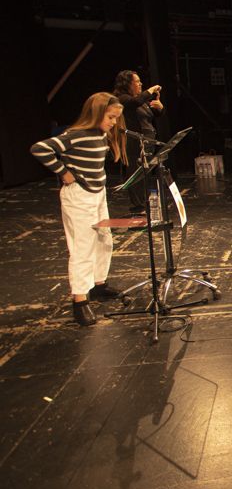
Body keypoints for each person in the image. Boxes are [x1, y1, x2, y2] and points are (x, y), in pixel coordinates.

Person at [31, 92, 126, 327]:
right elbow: (39, 149)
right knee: (82, 247)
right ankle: (80, 300)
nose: (113, 122)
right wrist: (63, 172)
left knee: (105, 240)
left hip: (98, 193)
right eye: (110, 117)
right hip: (79, 195)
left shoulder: (100, 134)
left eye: (115, 118)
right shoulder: (76, 135)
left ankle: (98, 284)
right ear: (96, 113)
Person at [113, 70, 163, 215]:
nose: (140, 83)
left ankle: (145, 202)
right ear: (127, 83)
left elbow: (153, 115)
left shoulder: (141, 100)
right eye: (137, 81)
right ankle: (138, 205)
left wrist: (160, 107)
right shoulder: (123, 98)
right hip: (134, 141)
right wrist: (151, 90)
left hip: (148, 141)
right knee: (135, 171)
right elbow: (135, 102)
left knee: (145, 172)